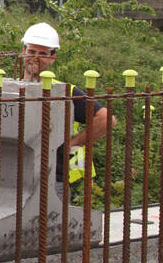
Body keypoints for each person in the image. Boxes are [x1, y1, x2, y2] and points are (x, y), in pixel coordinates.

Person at [18, 22, 114, 195]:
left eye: (42, 53)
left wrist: (73, 144)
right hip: (15, 175)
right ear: (23, 52)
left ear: (52, 58)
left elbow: (106, 119)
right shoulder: (8, 88)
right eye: (31, 51)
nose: (35, 57)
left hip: (53, 178)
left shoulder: (64, 92)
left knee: (52, 222)